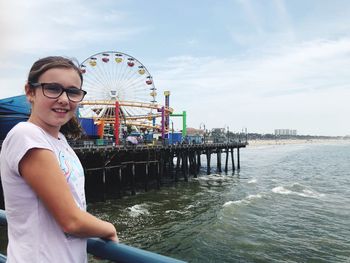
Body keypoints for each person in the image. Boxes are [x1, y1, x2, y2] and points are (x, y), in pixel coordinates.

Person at [0, 56, 118, 262]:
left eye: (73, 92)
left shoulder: (60, 140)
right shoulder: (26, 135)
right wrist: (109, 229)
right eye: (53, 88)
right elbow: (71, 221)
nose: (64, 99)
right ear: (30, 92)